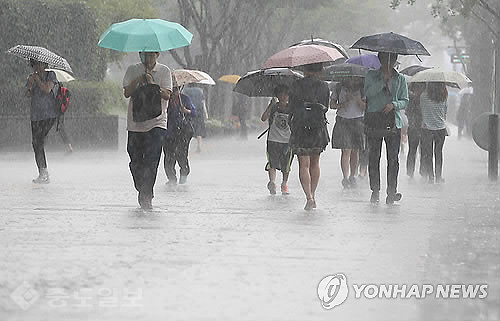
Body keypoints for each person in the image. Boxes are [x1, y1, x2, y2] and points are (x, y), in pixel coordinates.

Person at [123, 52, 172, 210]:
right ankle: (141, 187)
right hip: (136, 123)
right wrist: (139, 79)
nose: (148, 58)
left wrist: (152, 85)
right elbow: (126, 92)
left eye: (151, 55)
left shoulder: (164, 71)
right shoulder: (132, 70)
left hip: (157, 122)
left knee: (152, 160)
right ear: (140, 54)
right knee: (135, 159)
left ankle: (147, 194)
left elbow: (167, 95)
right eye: (145, 55)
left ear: (157, 54)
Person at [364, 52, 408, 204]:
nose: (388, 64)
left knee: (393, 159)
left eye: (391, 61)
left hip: (393, 122)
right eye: (384, 61)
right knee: (374, 157)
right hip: (374, 121)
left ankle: (391, 192)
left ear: (395, 61)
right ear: (380, 61)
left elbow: (405, 100)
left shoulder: (400, 79)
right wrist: (382, 82)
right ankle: (375, 190)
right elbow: (368, 94)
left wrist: (394, 105)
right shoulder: (371, 76)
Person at [288, 62, 330, 210]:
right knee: (315, 163)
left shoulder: (296, 85)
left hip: (300, 127)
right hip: (317, 127)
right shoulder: (324, 86)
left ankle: (308, 197)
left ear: (304, 69)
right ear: (320, 70)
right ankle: (314, 193)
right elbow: (326, 107)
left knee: (303, 164)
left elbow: (291, 107)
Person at [25, 59, 59, 184]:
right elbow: (27, 94)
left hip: (48, 115)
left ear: (44, 64)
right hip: (35, 115)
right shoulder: (31, 77)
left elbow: (47, 89)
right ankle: (42, 171)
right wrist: (29, 84)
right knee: (35, 143)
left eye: (39, 64)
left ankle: (44, 172)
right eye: (34, 65)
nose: (37, 67)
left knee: (39, 141)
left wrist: (38, 80)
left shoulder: (50, 75)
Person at [330, 77, 366, 188]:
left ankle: (352, 176)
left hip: (358, 121)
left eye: (354, 79)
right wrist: (343, 104)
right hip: (343, 120)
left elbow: (365, 107)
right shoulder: (339, 87)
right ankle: (345, 177)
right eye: (350, 79)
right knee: (346, 150)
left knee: (355, 150)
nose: (352, 81)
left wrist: (357, 100)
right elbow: (331, 105)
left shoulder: (362, 88)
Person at [261, 85, 293, 195]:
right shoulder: (274, 107)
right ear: (277, 95)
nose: (283, 97)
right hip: (273, 140)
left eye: (286, 94)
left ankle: (284, 184)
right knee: (272, 163)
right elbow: (263, 118)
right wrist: (270, 105)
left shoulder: (292, 108)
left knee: (286, 165)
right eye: (281, 94)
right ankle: (272, 183)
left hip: (287, 141)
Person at [163, 81, 196, 185]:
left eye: (176, 89)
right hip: (168, 132)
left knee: (181, 153)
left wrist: (186, 110)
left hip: (183, 131)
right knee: (168, 155)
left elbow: (194, 112)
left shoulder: (185, 99)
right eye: (172, 89)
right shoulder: (165, 100)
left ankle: (184, 174)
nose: (174, 91)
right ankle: (171, 178)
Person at [420, 82, 448, 184]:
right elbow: (445, 112)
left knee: (428, 154)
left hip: (426, 128)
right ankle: (439, 177)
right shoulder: (443, 96)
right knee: (438, 153)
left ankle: (431, 177)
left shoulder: (423, 96)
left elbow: (422, 110)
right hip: (440, 128)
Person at [405, 82, 426, 178]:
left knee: (417, 150)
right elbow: (409, 112)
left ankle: (414, 172)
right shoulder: (414, 98)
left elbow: (408, 112)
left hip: (418, 127)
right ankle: (413, 172)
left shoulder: (416, 98)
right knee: (415, 150)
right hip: (417, 127)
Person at [183, 84, 207, 152]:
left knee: (189, 129)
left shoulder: (185, 91)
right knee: (199, 129)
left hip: (190, 112)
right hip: (199, 112)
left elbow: (185, 101)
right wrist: (206, 113)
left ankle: (188, 146)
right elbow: (203, 102)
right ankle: (199, 146)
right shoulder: (200, 90)